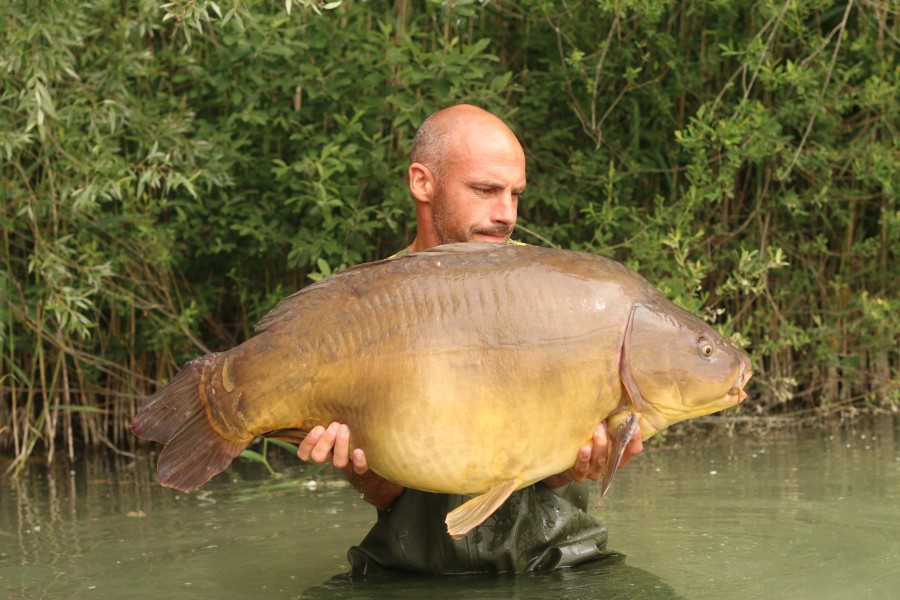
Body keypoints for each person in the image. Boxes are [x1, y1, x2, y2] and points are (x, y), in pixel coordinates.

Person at [298, 104, 643, 574]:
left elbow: (557, 476)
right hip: (411, 572)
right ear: (423, 182)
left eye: (515, 195)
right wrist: (358, 469)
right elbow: (386, 495)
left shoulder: (556, 289)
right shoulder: (367, 310)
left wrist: (582, 464)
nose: (505, 214)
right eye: (485, 190)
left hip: (556, 562)